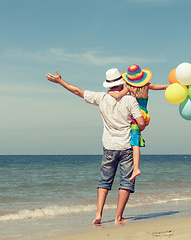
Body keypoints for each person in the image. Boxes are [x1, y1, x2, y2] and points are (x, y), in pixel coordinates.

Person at [46, 68, 146, 225]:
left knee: (104, 181)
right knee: (126, 182)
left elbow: (78, 91)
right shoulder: (130, 100)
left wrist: (60, 81)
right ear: (121, 83)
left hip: (109, 146)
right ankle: (118, 217)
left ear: (108, 84)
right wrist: (139, 125)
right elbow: (141, 124)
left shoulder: (101, 98)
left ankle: (98, 215)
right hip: (127, 146)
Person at [108, 64, 168, 183]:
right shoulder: (147, 86)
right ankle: (133, 165)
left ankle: (136, 168)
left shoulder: (129, 87)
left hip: (135, 116)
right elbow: (162, 87)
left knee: (135, 143)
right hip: (144, 115)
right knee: (134, 139)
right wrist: (173, 86)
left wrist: (110, 92)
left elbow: (119, 95)